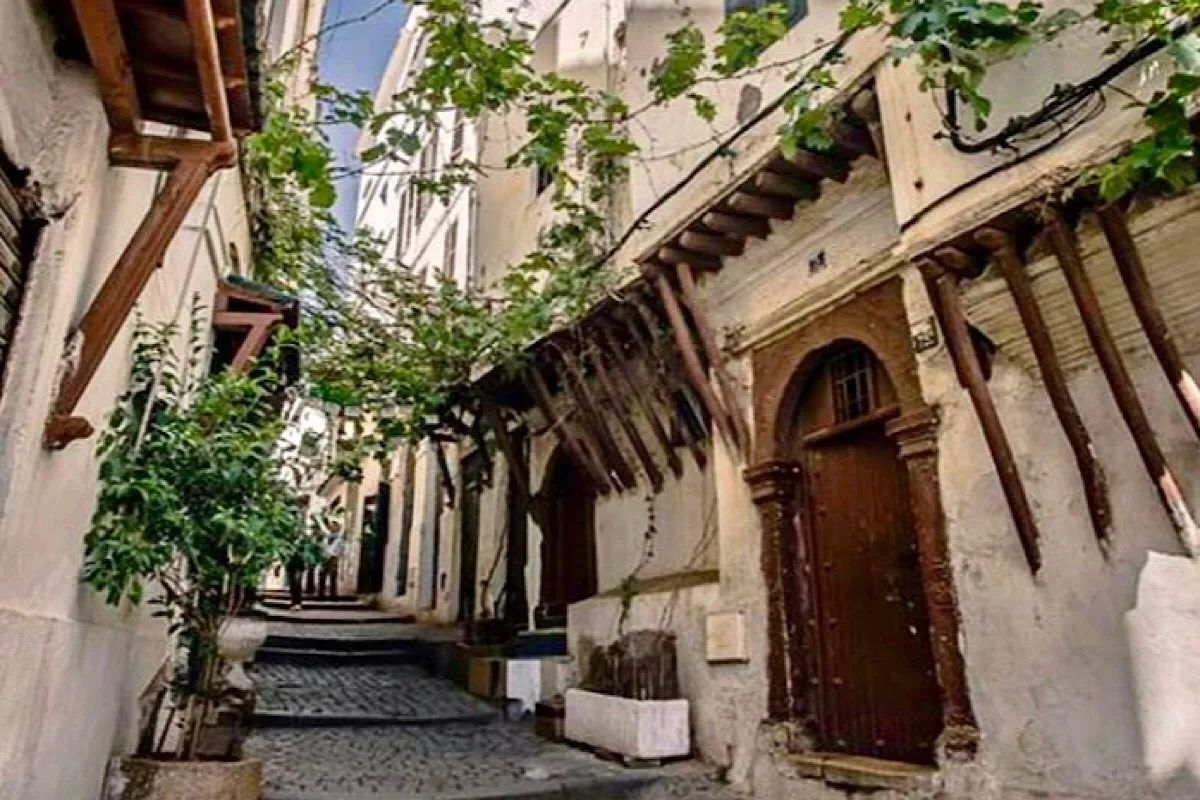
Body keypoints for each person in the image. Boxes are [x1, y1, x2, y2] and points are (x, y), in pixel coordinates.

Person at [319, 520, 346, 600]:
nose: (332, 527)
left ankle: (332, 594)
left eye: (334, 526)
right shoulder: (328, 536)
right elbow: (323, 546)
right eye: (332, 526)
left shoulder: (339, 538)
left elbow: (341, 549)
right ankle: (321, 594)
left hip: (333, 557)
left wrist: (336, 556)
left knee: (332, 575)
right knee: (322, 574)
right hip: (325, 557)